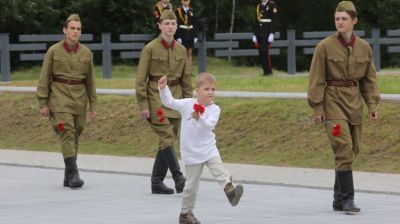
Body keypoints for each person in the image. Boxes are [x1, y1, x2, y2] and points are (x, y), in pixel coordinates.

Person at [308, 1, 380, 213]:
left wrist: (373, 104)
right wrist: (318, 109)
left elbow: (369, 80)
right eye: (337, 19)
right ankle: (348, 200)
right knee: (344, 147)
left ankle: (338, 199)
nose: (340, 22)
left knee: (352, 149)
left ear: (354, 21)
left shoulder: (364, 48)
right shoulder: (324, 47)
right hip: (332, 102)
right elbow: (316, 80)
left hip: (354, 103)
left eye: (344, 19)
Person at [158, 73, 244, 224]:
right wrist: (163, 87)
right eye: (206, 89)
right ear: (197, 90)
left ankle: (230, 191)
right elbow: (168, 102)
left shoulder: (215, 109)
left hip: (209, 148)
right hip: (191, 153)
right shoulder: (186, 104)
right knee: (191, 186)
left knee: (219, 169)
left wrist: (199, 117)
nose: (210, 92)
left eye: (213, 89)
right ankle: (185, 215)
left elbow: (209, 125)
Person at [36, 14, 97, 189]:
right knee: (67, 131)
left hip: (79, 99)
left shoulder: (87, 53)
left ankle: (68, 176)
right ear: (65, 30)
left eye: (78, 29)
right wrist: (43, 102)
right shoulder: (54, 51)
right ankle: (75, 174)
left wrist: (93, 104)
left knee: (75, 134)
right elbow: (44, 78)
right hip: (59, 97)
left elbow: (91, 81)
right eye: (72, 28)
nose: (75, 32)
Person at [136, 9, 193, 194]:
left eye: (173, 24)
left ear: (177, 27)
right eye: (166, 23)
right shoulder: (150, 48)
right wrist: (143, 105)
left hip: (175, 100)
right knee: (167, 136)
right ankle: (178, 177)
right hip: (156, 99)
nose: (170, 27)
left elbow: (186, 80)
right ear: (160, 26)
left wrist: (188, 105)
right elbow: (141, 79)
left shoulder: (182, 50)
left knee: (167, 140)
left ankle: (156, 182)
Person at [252, 0, 278, 76]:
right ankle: (265, 71)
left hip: (267, 32)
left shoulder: (272, 5)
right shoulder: (259, 6)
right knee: (260, 52)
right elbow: (256, 21)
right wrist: (254, 34)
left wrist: (272, 33)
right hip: (259, 32)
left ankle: (269, 71)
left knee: (265, 51)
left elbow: (274, 20)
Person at [175, 0, 198, 72]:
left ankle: (188, 70)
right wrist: (178, 36)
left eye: (187, 1)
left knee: (189, 53)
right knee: (182, 53)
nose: (186, 2)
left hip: (190, 33)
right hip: (182, 33)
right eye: (184, 1)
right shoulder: (178, 11)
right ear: (181, 1)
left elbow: (195, 24)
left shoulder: (191, 10)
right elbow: (177, 24)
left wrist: (195, 36)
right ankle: (182, 70)